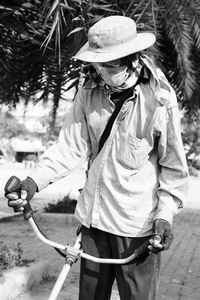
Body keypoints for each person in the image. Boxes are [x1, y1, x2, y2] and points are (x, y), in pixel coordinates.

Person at [4, 15, 189, 300]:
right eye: (98, 63)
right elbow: (69, 148)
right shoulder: (88, 91)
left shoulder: (159, 101)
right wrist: (32, 182)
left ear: (133, 59)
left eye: (110, 64)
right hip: (93, 224)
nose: (102, 70)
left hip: (137, 228)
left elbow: (174, 170)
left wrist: (164, 218)